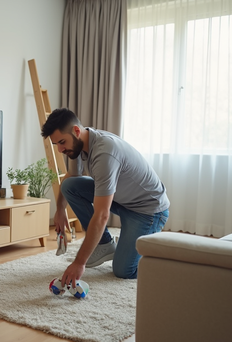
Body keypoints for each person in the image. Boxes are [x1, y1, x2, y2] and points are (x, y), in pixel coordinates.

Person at [41, 108, 170, 282]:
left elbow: (102, 215)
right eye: (57, 144)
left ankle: (162, 259)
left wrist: (80, 262)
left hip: (148, 211)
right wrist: (60, 210)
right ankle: (104, 244)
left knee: (123, 270)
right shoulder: (78, 146)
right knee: (71, 186)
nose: (60, 150)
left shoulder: (104, 153)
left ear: (76, 131)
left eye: (62, 142)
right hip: (123, 200)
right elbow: (70, 177)